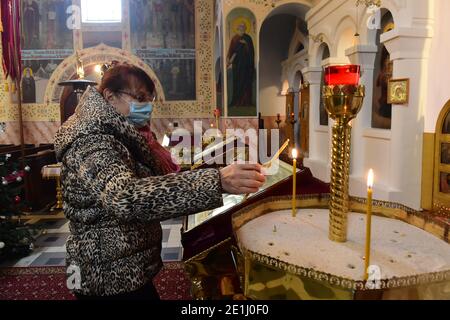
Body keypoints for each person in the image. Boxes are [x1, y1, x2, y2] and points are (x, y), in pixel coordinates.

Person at [54, 63, 265, 300]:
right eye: (140, 97)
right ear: (110, 96)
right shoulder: (90, 138)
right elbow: (125, 197)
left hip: (127, 265)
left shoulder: (126, 134)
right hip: (107, 274)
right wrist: (216, 181)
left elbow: (155, 182)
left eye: (150, 100)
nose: (147, 107)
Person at [227, 23, 255, 107]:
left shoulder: (248, 38)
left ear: (245, 29)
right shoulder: (234, 38)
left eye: (243, 27)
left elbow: (251, 51)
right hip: (237, 65)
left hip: (246, 65)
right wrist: (229, 60)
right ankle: (236, 101)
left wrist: (246, 43)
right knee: (237, 83)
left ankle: (246, 102)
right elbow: (231, 51)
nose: (242, 29)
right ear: (238, 28)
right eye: (240, 27)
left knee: (245, 82)